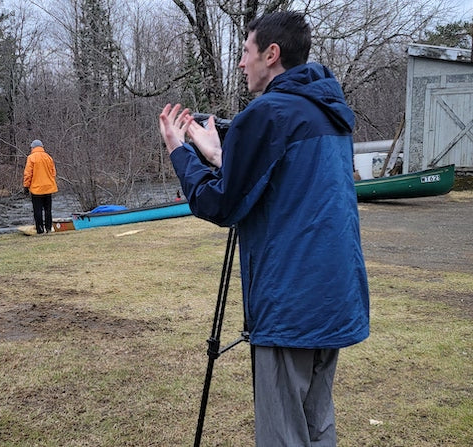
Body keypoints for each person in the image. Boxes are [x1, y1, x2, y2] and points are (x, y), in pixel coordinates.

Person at [158, 11, 369, 447]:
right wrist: (221, 153)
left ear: (271, 55)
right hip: (334, 296)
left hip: (289, 302)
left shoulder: (269, 112)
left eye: (246, 52)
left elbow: (220, 204)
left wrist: (180, 151)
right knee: (316, 423)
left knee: (282, 435)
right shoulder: (329, 113)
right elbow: (282, 180)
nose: (240, 63)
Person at [23, 139, 58, 233]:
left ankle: (40, 229)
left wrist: (26, 186)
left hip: (36, 189)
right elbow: (53, 173)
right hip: (48, 188)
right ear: (42, 147)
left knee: (37, 210)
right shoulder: (48, 157)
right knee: (48, 209)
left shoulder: (31, 158)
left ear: (33, 147)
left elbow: (28, 174)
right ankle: (48, 228)